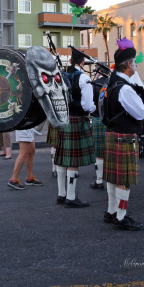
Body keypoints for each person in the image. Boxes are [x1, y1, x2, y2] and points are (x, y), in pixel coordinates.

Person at [102, 38, 144, 230]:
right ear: (129, 64)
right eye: (135, 62)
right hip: (124, 137)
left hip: (112, 135)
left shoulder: (111, 84)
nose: (136, 65)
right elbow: (141, 113)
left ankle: (111, 211)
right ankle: (121, 217)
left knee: (114, 178)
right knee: (124, 181)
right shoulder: (125, 89)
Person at [54, 49, 96, 208]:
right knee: (73, 160)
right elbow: (87, 105)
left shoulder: (61, 76)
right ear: (83, 62)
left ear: (71, 61)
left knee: (62, 158)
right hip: (77, 120)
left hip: (63, 119)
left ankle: (61, 194)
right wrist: (95, 109)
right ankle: (71, 197)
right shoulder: (84, 77)